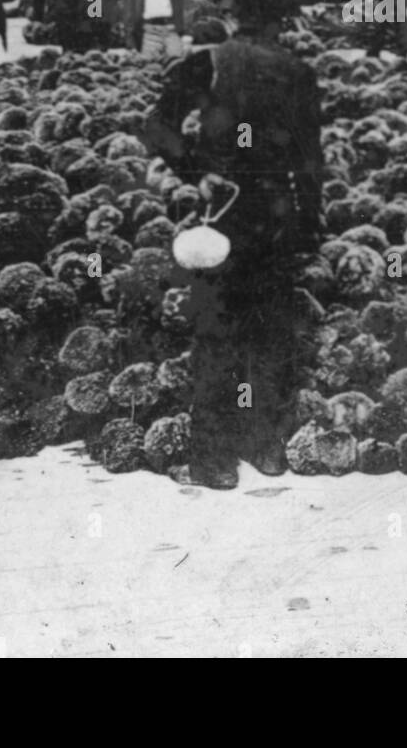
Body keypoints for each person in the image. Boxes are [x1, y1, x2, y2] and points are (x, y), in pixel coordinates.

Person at [143, 35, 325, 489]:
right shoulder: (296, 70)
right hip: (275, 214)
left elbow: (157, 126)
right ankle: (265, 446)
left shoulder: (209, 63)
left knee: (217, 333)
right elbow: (309, 157)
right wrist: (309, 221)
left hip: (224, 212)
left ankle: (213, 458)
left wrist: (194, 170)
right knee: (269, 334)